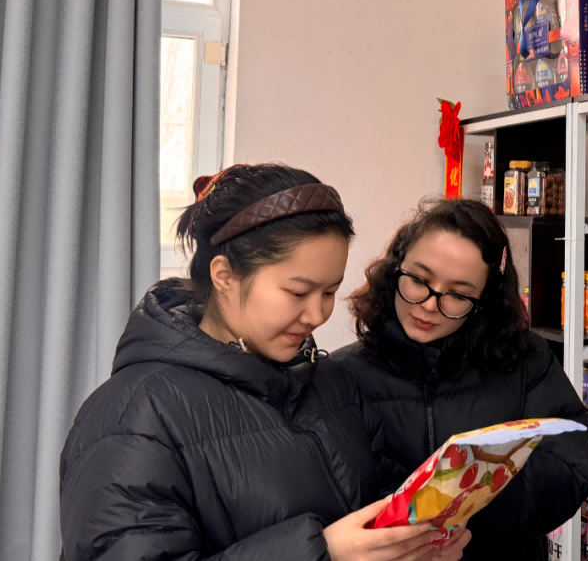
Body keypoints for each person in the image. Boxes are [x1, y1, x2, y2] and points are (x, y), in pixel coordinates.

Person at [60, 164, 469, 561]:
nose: (317, 315)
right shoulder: (133, 416)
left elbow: (382, 498)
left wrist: (419, 540)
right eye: (298, 292)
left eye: (329, 292)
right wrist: (322, 553)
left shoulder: (333, 383)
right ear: (224, 276)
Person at [333, 199, 588, 561]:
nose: (428, 305)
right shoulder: (341, 375)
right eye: (418, 280)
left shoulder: (525, 360)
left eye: (457, 294)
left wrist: (472, 491)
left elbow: (571, 471)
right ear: (395, 268)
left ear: (486, 299)